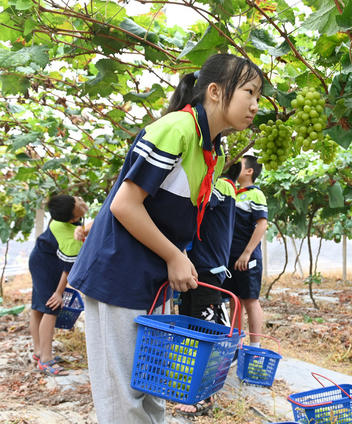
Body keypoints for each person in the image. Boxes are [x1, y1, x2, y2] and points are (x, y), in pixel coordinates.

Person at [67, 53, 262, 423]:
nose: (255, 105)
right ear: (217, 92)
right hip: (118, 276)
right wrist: (175, 256)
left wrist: (180, 259)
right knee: (123, 399)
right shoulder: (177, 129)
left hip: (151, 281)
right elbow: (125, 205)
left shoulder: (211, 151)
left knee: (150, 391)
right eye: (250, 92)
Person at [175, 161, 242, 416]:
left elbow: (194, 200)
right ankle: (193, 387)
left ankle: (204, 396)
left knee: (204, 333)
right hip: (193, 270)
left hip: (207, 271)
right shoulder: (218, 186)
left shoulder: (223, 187)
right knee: (191, 327)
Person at [29, 194, 88, 376]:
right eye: (77, 202)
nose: (80, 198)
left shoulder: (62, 220)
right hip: (46, 266)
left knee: (38, 308)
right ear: (74, 217)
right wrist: (58, 292)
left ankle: (38, 351)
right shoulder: (71, 238)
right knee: (51, 308)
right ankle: (46, 359)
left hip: (41, 259)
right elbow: (67, 269)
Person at [222, 154, 268, 348]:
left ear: (249, 171)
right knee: (235, 301)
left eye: (238, 165)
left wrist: (247, 253)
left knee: (250, 300)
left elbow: (262, 225)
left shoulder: (255, 194)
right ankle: (236, 345)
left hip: (247, 257)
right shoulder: (234, 193)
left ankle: (255, 347)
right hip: (232, 257)